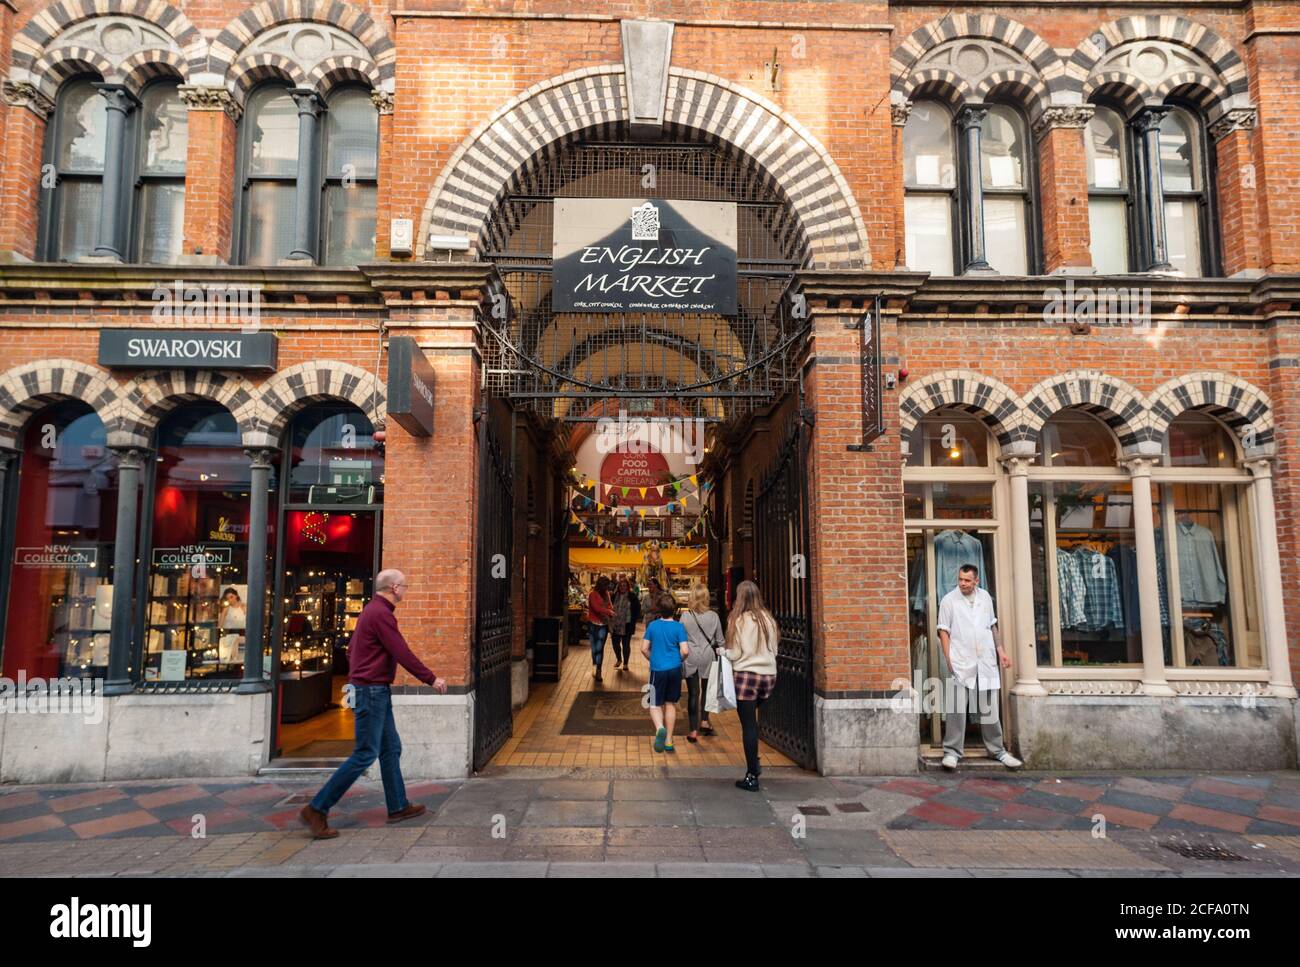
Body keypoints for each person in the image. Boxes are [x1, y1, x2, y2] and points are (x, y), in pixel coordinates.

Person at [299, 569, 448, 839]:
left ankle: (398, 805)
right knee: (365, 754)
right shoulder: (381, 614)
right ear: (393, 587)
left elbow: (352, 649)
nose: (406, 590)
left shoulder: (371, 611)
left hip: (372, 689)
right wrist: (431, 679)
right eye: (405, 585)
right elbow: (401, 651)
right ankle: (317, 808)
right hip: (371, 691)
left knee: (390, 748)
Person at [937, 564, 1022, 771]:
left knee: (989, 707)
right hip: (961, 659)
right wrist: (948, 657)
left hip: (985, 659)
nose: (963, 584)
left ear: (977, 581)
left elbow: (992, 626)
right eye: (960, 580)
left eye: (967, 580)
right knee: (957, 708)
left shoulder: (985, 598)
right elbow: (943, 630)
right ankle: (951, 752)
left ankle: (997, 751)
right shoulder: (949, 600)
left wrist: (1001, 651)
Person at [725, 580, 779, 791]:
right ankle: (754, 763)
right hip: (769, 677)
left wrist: (723, 652)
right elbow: (774, 649)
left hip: (747, 677)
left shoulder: (738, 620)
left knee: (749, 726)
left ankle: (751, 775)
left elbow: (737, 654)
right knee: (753, 724)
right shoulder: (769, 619)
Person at [641, 595, 689, 753]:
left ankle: (660, 728)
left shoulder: (653, 626)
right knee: (670, 704)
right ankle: (668, 741)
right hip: (674, 670)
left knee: (654, 703)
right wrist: (678, 660)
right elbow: (685, 651)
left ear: (659, 610)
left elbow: (643, 648)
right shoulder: (679, 627)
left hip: (657, 670)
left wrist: (652, 658)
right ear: (674, 610)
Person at [680, 583, 722, 742]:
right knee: (706, 691)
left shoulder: (685, 616)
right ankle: (704, 721)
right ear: (706, 597)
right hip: (708, 657)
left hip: (690, 657)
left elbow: (680, 638)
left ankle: (693, 731)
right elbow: (720, 640)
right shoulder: (714, 616)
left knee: (693, 694)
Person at [586, 575, 615, 681]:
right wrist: (608, 611)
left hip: (603, 624)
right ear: (601, 585)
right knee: (594, 648)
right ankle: (595, 665)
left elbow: (610, 606)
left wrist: (609, 609)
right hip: (593, 624)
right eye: (606, 585)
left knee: (600, 648)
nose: (607, 588)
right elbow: (597, 608)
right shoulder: (592, 594)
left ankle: (599, 671)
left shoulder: (606, 593)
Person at [610, 576, 636, 671]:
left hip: (627, 624)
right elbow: (609, 607)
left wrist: (633, 621)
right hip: (615, 624)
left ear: (627, 587)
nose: (622, 587)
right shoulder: (614, 596)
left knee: (626, 644)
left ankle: (625, 663)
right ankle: (619, 659)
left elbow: (637, 609)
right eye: (621, 586)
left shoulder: (632, 596)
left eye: (624, 586)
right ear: (618, 587)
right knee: (615, 644)